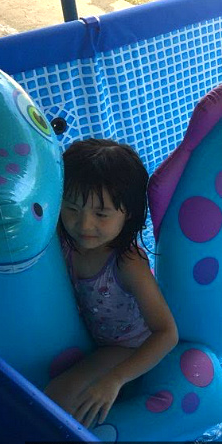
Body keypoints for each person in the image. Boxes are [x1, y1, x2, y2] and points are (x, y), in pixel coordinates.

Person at [45, 139, 178, 427]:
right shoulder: (63, 237)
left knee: (56, 399)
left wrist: (115, 379)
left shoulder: (127, 263)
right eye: (72, 208)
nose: (84, 225)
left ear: (127, 212)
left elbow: (167, 333)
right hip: (90, 334)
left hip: (127, 346)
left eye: (101, 214)